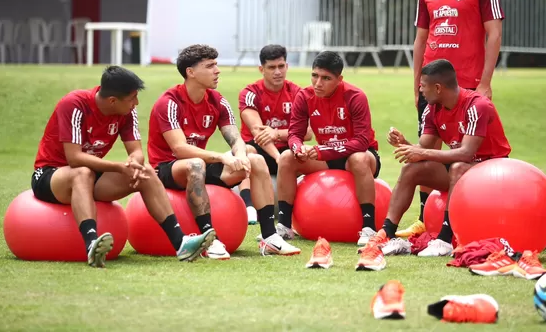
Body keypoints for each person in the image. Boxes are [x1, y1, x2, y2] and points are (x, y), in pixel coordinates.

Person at [31, 66, 214, 268]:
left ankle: (181, 243)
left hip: (91, 176)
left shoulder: (127, 112)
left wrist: (134, 163)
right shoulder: (74, 104)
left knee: (145, 172)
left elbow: (136, 151)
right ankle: (92, 244)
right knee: (81, 172)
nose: (136, 103)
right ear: (112, 101)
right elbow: (74, 158)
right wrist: (120, 167)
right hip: (50, 175)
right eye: (132, 98)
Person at [147, 44, 300, 259]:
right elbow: (179, 149)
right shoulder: (170, 102)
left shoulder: (217, 101)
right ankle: (209, 239)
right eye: (210, 66)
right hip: (167, 168)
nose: (217, 70)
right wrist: (221, 157)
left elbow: (235, 138)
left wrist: (239, 156)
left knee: (255, 160)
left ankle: (270, 237)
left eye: (216, 65)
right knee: (195, 164)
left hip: (200, 165)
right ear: (190, 72)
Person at [402, 0, 505, 239]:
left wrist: (485, 81)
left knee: (468, 153)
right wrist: (416, 80)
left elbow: (494, 33)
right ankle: (422, 219)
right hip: (430, 86)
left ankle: (465, 220)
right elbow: (421, 39)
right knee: (424, 149)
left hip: (466, 86)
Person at [383, 59, 511, 257]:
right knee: (411, 169)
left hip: (494, 173)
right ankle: (387, 234)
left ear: (438, 87)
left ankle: (444, 239)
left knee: (458, 166)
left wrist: (422, 153)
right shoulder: (432, 109)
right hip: (460, 172)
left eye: (423, 86)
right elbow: (424, 148)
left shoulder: (478, 106)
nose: (421, 91)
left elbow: (467, 153)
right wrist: (404, 144)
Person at [275, 51, 381, 247]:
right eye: (314, 76)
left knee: (358, 158)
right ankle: (283, 226)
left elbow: (362, 141)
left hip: (360, 156)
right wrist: (298, 148)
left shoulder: (355, 96)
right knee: (287, 157)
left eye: (326, 78)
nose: (318, 83)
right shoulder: (304, 96)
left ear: (339, 79)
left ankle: (368, 228)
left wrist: (325, 151)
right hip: (325, 156)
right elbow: (295, 134)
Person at [237, 44, 311, 224]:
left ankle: (306, 211)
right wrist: (278, 158)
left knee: (309, 151)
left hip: (287, 148)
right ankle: (248, 207)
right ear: (261, 69)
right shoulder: (250, 93)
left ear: (287, 66)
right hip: (259, 149)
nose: (277, 72)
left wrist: (277, 133)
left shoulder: (298, 93)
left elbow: (308, 133)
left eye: (281, 66)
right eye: (271, 67)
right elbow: (258, 132)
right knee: (246, 151)